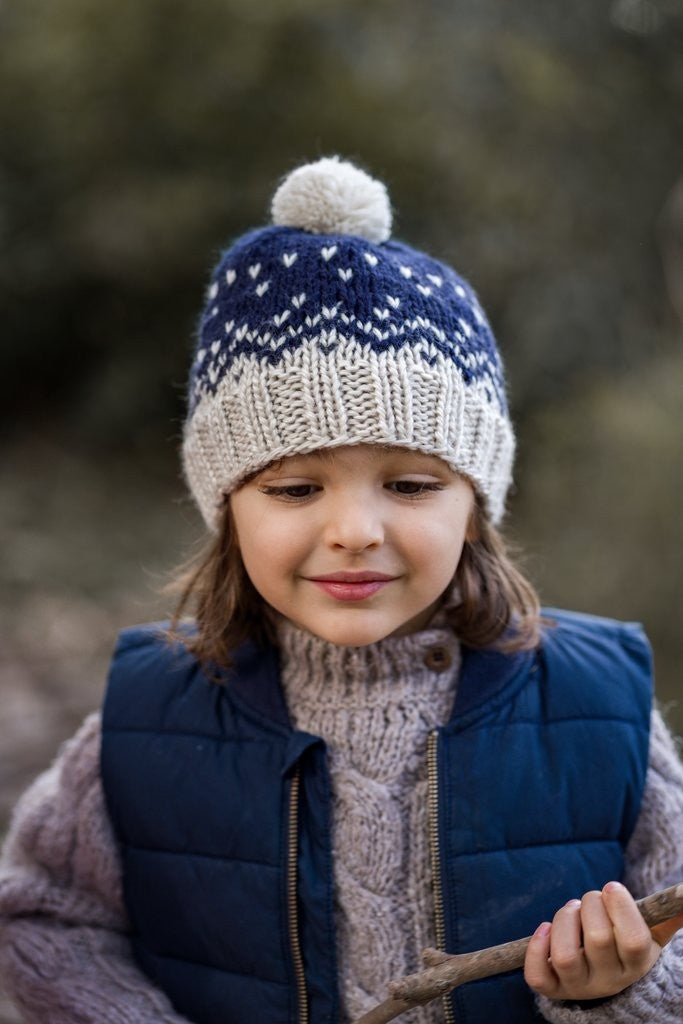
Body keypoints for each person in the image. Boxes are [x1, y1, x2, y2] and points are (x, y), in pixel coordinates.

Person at [0, 157, 682, 1024]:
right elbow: (46, 919)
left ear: (474, 506)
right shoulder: (144, 720)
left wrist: (624, 992)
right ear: (228, 509)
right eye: (293, 490)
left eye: (408, 485)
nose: (354, 529)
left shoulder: (595, 704)